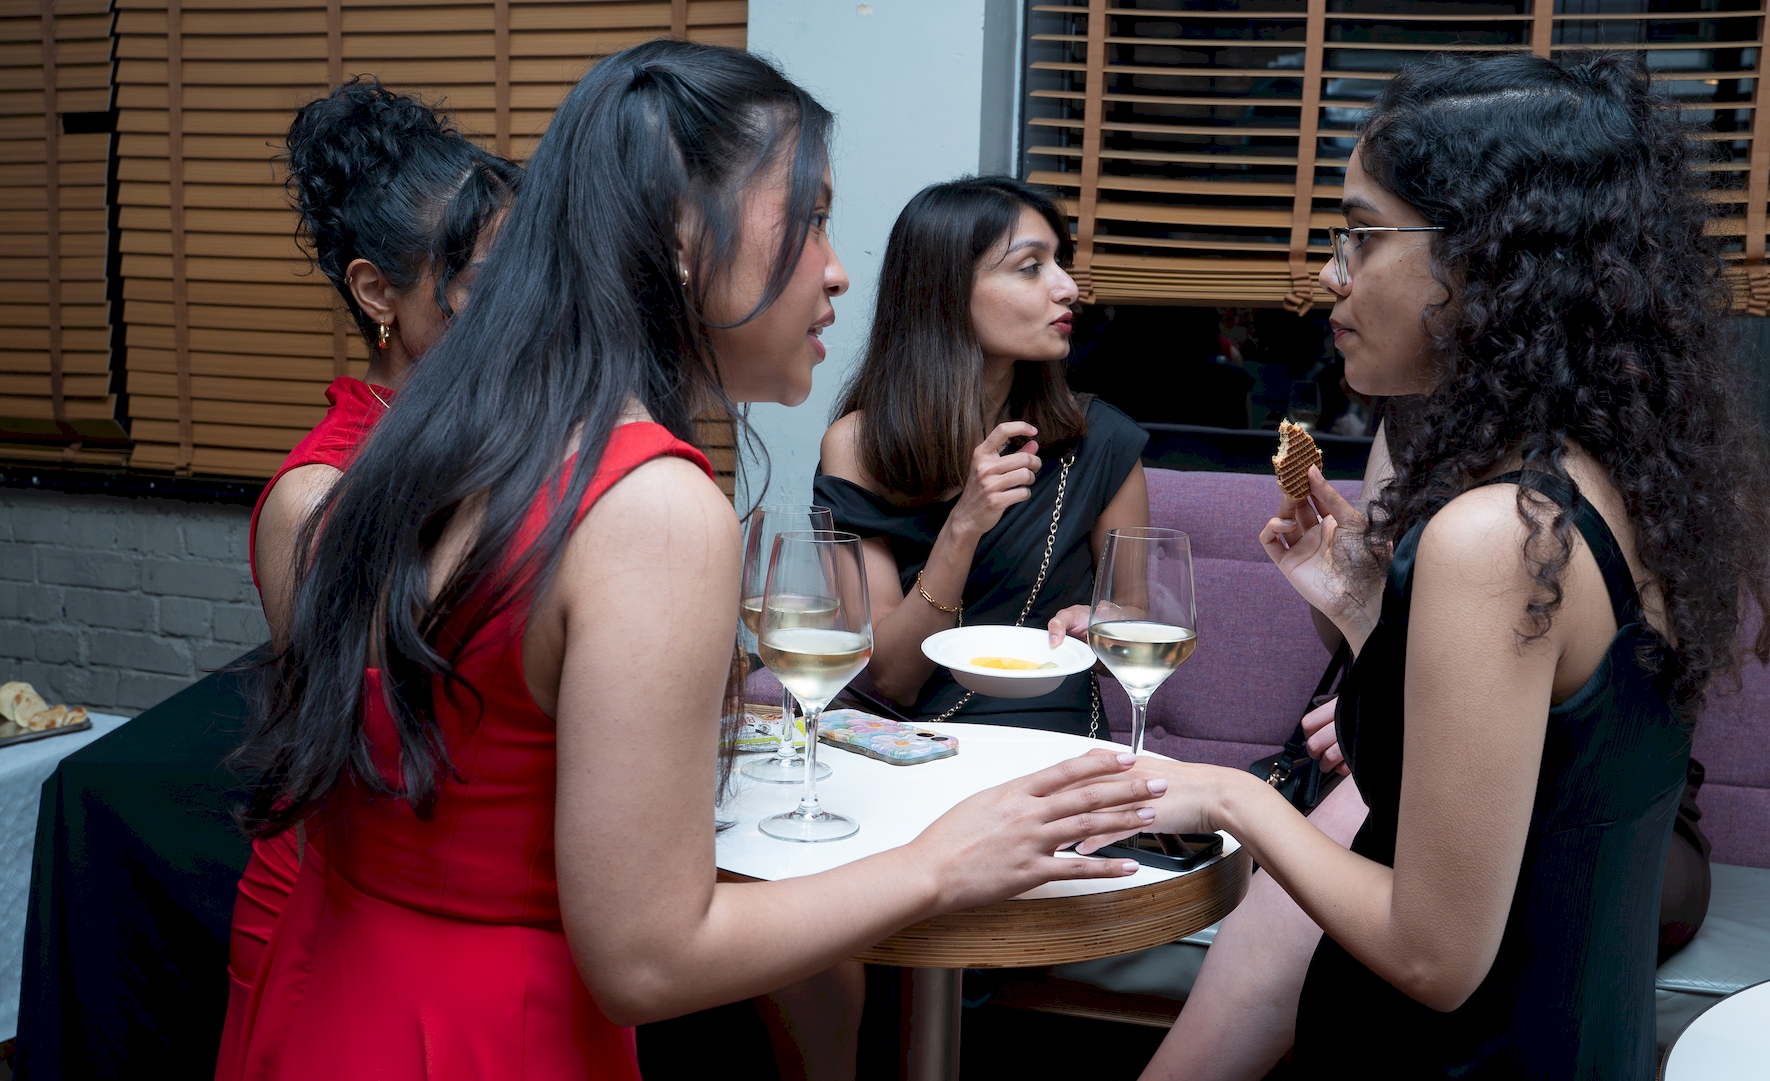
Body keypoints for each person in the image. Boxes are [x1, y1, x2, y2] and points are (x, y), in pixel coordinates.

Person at [218, 41, 1163, 1081]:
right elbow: (649, 957)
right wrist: (940, 864)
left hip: (335, 1000)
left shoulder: (434, 439)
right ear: (678, 238)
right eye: (809, 220)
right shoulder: (649, 503)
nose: (838, 268)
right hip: (492, 1033)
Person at [1122, 51, 1770, 1079]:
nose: (1331, 275)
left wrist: (1231, 800)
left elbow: (1433, 954)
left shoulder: (1495, 535)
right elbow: (1550, 773)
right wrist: (1363, 607)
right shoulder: (1611, 482)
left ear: (1485, 260)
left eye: (1361, 234)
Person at [220, 78, 521, 1074]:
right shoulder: (321, 497)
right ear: (376, 292)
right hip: (343, 919)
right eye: (481, 281)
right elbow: (374, 758)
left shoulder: (497, 448)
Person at [817, 175, 1150, 736]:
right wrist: (964, 525)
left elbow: (1139, 620)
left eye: (1061, 263)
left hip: (1056, 742)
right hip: (915, 749)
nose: (1068, 288)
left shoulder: (1102, 442)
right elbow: (894, 678)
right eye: (1031, 267)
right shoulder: (857, 446)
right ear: (947, 291)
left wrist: (1105, 626)